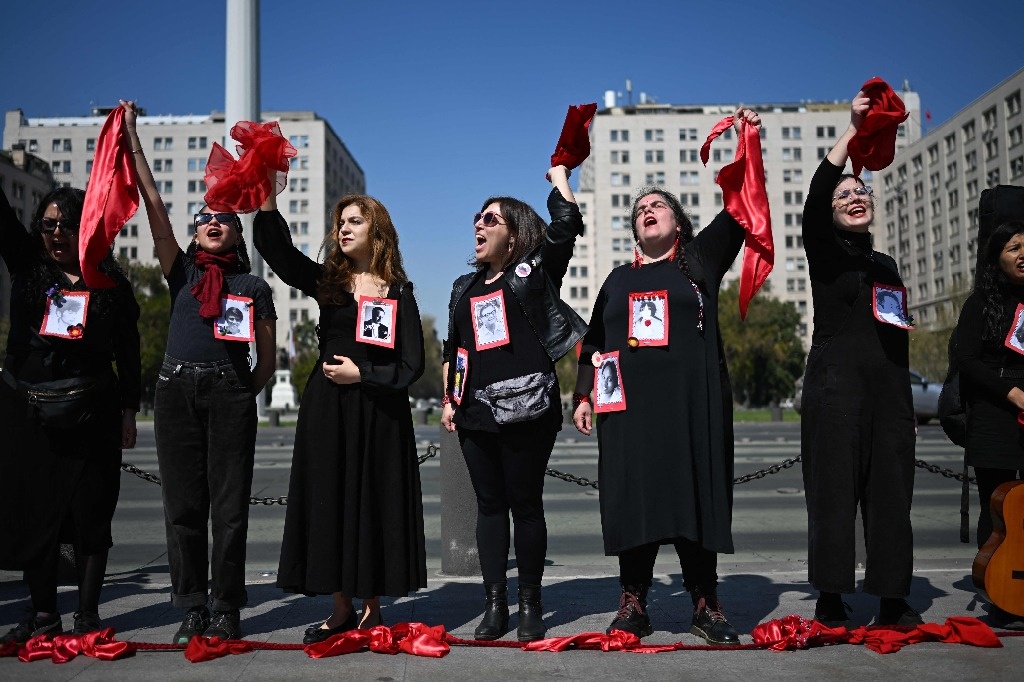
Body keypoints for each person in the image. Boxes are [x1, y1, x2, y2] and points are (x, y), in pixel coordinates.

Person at [572, 108, 761, 645]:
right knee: (635, 501)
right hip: (627, 413)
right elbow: (593, 342)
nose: (647, 211)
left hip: (690, 407)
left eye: (657, 206)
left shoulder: (699, 261)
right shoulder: (615, 279)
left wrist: (746, 139)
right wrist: (583, 395)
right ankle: (633, 603)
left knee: (693, 497)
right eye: (639, 210)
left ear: (678, 222)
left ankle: (706, 603)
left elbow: (743, 202)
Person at [122, 101, 277, 642]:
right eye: (205, 219)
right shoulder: (182, 271)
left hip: (230, 396)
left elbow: (269, 360)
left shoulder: (254, 288)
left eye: (224, 220)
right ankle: (190, 603)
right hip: (174, 392)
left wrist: (237, 389)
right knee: (183, 506)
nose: (213, 223)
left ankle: (226, 604)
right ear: (194, 233)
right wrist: (134, 138)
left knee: (230, 508)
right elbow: (154, 205)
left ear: (238, 234)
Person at [254, 186, 427, 643]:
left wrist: (363, 373)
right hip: (327, 410)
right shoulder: (327, 283)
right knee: (332, 501)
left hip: (380, 414)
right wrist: (268, 198)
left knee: (373, 500)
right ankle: (340, 608)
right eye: (341, 222)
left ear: (378, 231)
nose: (343, 229)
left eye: (354, 221)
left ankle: (373, 608)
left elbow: (413, 363)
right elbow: (278, 252)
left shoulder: (400, 291)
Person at [441, 164, 586, 642]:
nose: (478, 225)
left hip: (529, 407)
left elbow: (566, 227)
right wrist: (450, 398)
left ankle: (530, 603)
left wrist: (560, 178)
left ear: (515, 234)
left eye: (490, 219)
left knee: (525, 504)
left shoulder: (534, 272)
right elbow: (454, 350)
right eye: (477, 219)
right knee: (488, 506)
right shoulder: (463, 288)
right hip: (475, 411)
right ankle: (495, 604)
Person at [799, 91, 922, 627]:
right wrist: (851, 130)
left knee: (892, 497)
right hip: (835, 393)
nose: (855, 195)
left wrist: (902, 399)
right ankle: (831, 596)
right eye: (845, 193)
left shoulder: (886, 263)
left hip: (889, 395)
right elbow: (818, 191)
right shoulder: (825, 254)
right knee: (834, 498)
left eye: (862, 190)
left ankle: (893, 599)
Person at [0, 184, 141, 641]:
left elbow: (130, 353)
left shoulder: (111, 284)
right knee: (37, 517)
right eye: (48, 224)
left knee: (92, 516)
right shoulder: (28, 267)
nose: (57, 233)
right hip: (31, 416)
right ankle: (43, 614)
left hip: (93, 415)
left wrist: (128, 410)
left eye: (68, 224)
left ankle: (87, 615)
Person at [953, 220, 1024, 628]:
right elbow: (967, 360)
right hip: (995, 418)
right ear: (997, 256)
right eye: (1013, 247)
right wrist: (1011, 393)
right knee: (996, 511)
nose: (1021, 254)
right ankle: (1000, 591)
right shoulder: (981, 302)